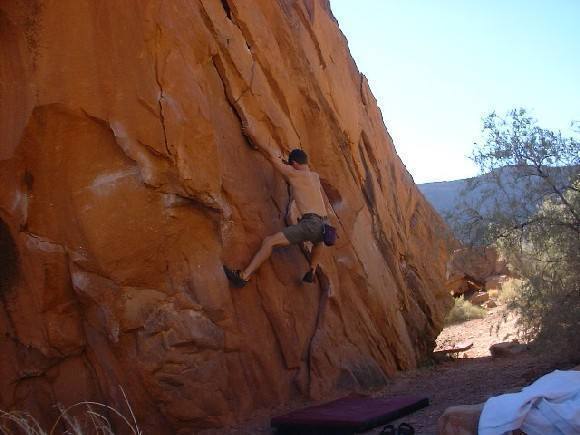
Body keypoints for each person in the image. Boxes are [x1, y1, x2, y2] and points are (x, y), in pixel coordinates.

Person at [223, 128, 328, 288]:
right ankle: (312, 269)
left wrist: (253, 135)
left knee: (269, 242)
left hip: (310, 224)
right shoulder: (314, 177)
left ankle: (243, 276)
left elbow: (272, 158)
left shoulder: (294, 174)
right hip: (324, 227)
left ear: (294, 164)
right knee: (318, 240)